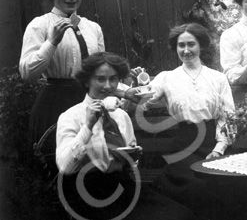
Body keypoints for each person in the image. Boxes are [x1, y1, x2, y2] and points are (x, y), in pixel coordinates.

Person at [56, 52, 194, 220]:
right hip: (87, 191)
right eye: (100, 79)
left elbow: (131, 160)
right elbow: (65, 167)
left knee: (180, 214)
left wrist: (132, 155)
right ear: (87, 81)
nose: (107, 86)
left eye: (113, 79)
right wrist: (88, 126)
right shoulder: (71, 116)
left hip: (122, 185)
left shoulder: (120, 116)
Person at [19, 0, 136, 157]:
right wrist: (52, 42)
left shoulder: (93, 28)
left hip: (89, 104)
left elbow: (101, 75)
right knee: (59, 167)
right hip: (54, 104)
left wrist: (126, 91)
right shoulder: (39, 25)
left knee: (92, 165)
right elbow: (27, 73)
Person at [137, 23, 236, 219]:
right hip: (183, 145)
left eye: (191, 44)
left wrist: (219, 148)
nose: (186, 50)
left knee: (225, 185)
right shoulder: (167, 78)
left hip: (214, 142)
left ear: (201, 46)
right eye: (181, 45)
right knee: (195, 185)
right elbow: (143, 100)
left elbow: (228, 115)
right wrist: (137, 85)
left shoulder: (217, 78)